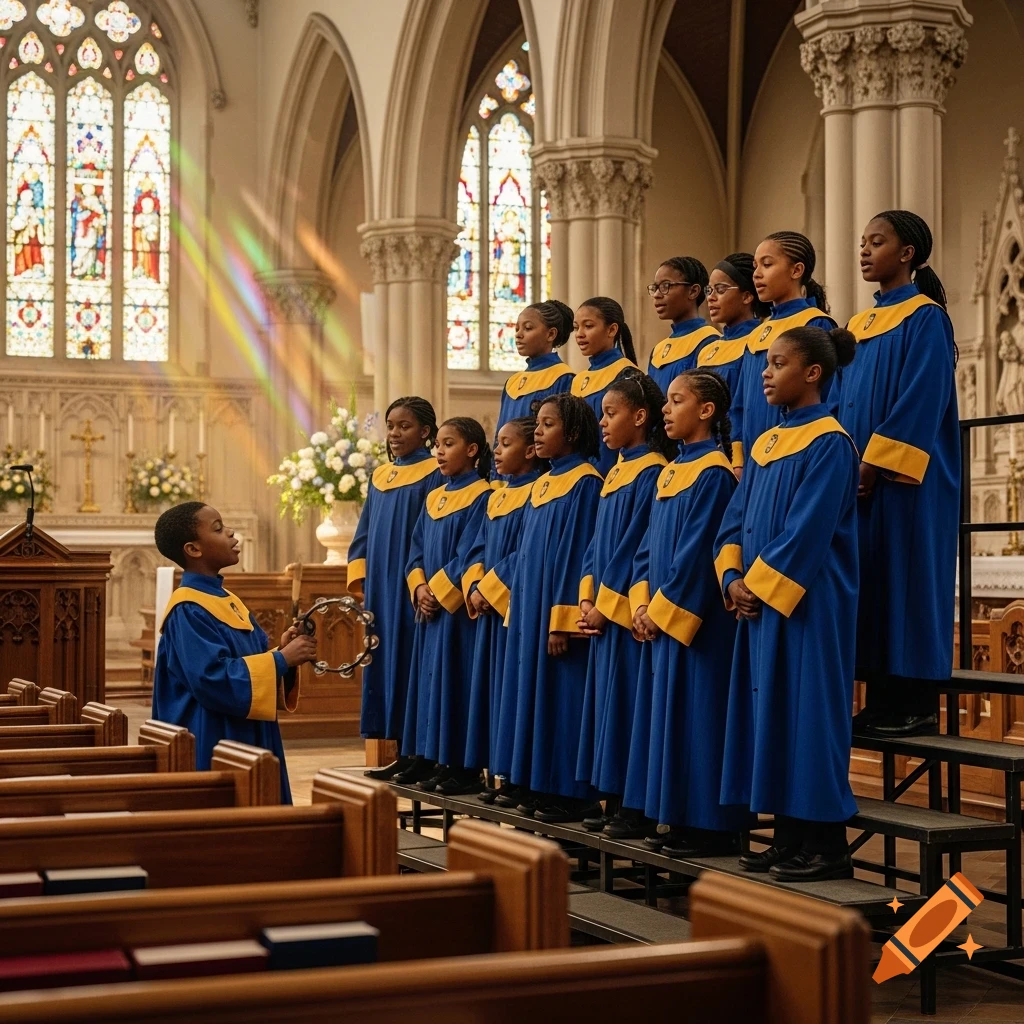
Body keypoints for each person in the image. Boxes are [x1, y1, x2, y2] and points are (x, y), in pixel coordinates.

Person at [715, 324, 859, 882]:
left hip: (808, 606)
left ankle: (827, 843)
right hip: (759, 604)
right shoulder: (767, 443)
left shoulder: (830, 442)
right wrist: (730, 577)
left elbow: (808, 531)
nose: (765, 374)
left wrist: (756, 584)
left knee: (808, 717)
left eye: (777, 364)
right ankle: (789, 835)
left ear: (813, 373)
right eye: (766, 364)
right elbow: (735, 520)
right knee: (770, 715)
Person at [836, 210, 959, 737]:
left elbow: (922, 397)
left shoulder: (926, 316)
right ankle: (882, 698)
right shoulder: (857, 327)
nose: (864, 251)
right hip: (860, 476)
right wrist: (842, 458)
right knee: (873, 576)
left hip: (909, 479)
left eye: (876, 242)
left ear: (907, 253)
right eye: (862, 242)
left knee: (908, 576)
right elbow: (839, 400)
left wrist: (874, 461)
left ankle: (917, 701)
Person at [625, 369, 745, 857]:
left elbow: (698, 554)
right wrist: (639, 603)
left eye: (677, 401)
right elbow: (648, 549)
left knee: (700, 716)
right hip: (661, 617)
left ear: (707, 411)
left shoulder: (714, 473)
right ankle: (675, 816)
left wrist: (662, 608)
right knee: (669, 717)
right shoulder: (673, 471)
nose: (666, 410)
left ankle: (711, 826)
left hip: (697, 623)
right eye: (666, 401)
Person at [154, 502, 318, 803]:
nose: (231, 532)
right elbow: (211, 677)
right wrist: (281, 659)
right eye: (218, 528)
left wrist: (282, 650)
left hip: (244, 730)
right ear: (193, 549)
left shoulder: (227, 599)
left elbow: (248, 661)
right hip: (215, 739)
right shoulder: (188, 608)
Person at [575, 370, 670, 837]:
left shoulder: (652, 470)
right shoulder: (616, 471)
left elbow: (637, 546)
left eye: (611, 414)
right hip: (604, 612)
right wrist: (586, 597)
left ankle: (637, 805)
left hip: (629, 612)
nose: (603, 423)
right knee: (609, 706)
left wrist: (606, 604)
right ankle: (611, 794)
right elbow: (594, 546)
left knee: (632, 708)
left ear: (640, 416)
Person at [502, 393, 604, 823]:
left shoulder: (585, 480)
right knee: (530, 694)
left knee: (561, 698)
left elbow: (577, 553)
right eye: (537, 425)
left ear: (574, 432)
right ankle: (535, 781)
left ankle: (569, 791)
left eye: (547, 425)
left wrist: (562, 621)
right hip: (530, 604)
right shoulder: (545, 482)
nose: (538, 433)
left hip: (556, 611)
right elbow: (525, 554)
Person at [349, 397, 443, 784]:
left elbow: (433, 532)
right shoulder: (381, 476)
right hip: (382, 590)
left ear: (425, 432)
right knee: (389, 665)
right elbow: (365, 532)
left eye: (404, 426)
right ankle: (402, 751)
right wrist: (361, 579)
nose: (394, 434)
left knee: (414, 665)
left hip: (413, 585)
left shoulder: (433, 473)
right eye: (390, 426)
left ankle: (423, 753)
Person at [403, 418, 493, 795]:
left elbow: (472, 552)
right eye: (437, 444)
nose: (438, 451)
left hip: (456, 615)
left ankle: (463, 766)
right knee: (430, 684)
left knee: (456, 682)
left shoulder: (482, 495)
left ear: (472, 450)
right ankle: (435, 758)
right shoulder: (434, 497)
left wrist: (437, 592)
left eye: (448, 444)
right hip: (431, 610)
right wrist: (419, 586)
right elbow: (417, 549)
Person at [463, 416, 546, 804]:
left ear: (530, 451)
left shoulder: (539, 492)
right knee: (496, 696)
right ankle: (501, 773)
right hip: (489, 610)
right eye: (495, 444)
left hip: (513, 605)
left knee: (515, 693)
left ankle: (518, 776)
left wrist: (491, 588)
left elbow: (524, 553)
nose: (496, 452)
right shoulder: (497, 496)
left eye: (505, 444)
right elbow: (478, 546)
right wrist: (475, 585)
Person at [736, 231, 836, 476]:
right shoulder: (757, 334)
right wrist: (737, 459)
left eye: (767, 264)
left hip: (797, 455)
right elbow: (739, 404)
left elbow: (830, 397)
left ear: (796, 270)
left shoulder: (815, 324)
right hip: (753, 460)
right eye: (755, 266)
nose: (757, 274)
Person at [698, 253, 770, 475]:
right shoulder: (707, 351)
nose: (711, 297)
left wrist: (737, 459)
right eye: (709, 291)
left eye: (720, 290)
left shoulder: (759, 342)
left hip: (741, 459)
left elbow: (744, 407)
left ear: (747, 296)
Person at [571, 297, 638, 474]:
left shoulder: (627, 374)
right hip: (578, 477)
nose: (580, 334)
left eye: (588, 326)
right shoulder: (579, 380)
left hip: (609, 473)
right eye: (576, 328)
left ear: (612, 329)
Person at [496, 301, 575, 439]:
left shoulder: (563, 378)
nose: (518, 335)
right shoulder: (512, 383)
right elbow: (500, 435)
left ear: (551, 334)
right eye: (517, 329)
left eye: (527, 328)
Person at [645, 256, 720, 395]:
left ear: (693, 291)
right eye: (655, 288)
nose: (656, 295)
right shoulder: (658, 351)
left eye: (665, 286)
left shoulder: (710, 342)